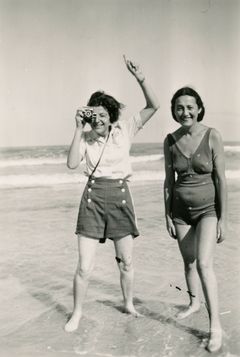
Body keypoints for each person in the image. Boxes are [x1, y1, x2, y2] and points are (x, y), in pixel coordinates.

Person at [64, 55, 159, 332]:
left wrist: (140, 78)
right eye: (95, 114)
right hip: (93, 199)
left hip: (119, 196)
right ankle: (77, 313)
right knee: (84, 267)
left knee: (127, 262)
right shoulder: (85, 136)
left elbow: (154, 106)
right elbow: (71, 164)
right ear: (89, 115)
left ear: (111, 115)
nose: (100, 119)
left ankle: (128, 303)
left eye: (104, 114)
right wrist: (78, 128)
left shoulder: (124, 130)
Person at [163, 87, 227, 353]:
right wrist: (166, 213)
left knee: (203, 264)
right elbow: (169, 181)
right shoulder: (170, 140)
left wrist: (224, 218)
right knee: (188, 263)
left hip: (207, 210)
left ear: (199, 108)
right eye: (179, 107)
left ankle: (215, 327)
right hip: (180, 212)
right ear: (174, 111)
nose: (185, 112)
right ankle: (193, 303)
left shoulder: (212, 136)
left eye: (190, 107)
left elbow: (221, 180)